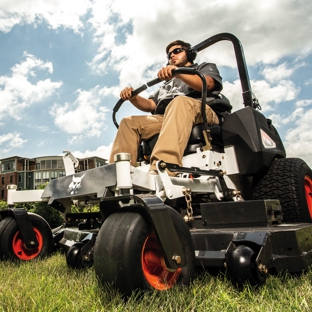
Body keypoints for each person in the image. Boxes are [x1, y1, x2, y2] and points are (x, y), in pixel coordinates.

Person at [109, 40, 223, 175]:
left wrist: (178, 72)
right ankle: (118, 175)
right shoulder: (166, 84)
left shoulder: (202, 68)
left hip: (202, 110)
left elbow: (208, 84)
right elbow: (150, 105)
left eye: (177, 51)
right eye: (169, 55)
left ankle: (163, 167)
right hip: (171, 115)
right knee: (129, 122)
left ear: (190, 54)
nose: (172, 56)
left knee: (179, 102)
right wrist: (133, 98)